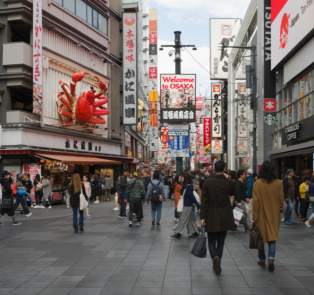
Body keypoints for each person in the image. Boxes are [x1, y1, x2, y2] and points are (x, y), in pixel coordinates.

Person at [200, 160, 235, 275]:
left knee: (211, 239)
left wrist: (202, 216)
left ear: (214, 169)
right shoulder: (229, 183)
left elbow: (204, 201)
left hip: (211, 214)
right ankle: (217, 259)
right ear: (224, 169)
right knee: (221, 240)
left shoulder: (207, 182)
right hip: (225, 214)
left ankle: (215, 258)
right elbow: (233, 194)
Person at [253, 161, 284, 271]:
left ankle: (262, 259)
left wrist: (254, 215)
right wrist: (280, 210)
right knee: (272, 236)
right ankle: (271, 258)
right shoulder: (278, 183)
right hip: (274, 213)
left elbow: (256, 201)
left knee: (260, 237)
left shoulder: (257, 183)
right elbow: (281, 199)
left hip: (261, 213)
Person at [171, 172, 200, 239]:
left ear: (186, 178)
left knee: (183, 219)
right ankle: (194, 232)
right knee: (190, 220)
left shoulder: (189, 186)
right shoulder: (186, 186)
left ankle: (178, 233)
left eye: (183, 177)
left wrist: (197, 204)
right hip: (187, 205)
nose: (181, 178)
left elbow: (192, 197)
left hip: (187, 206)